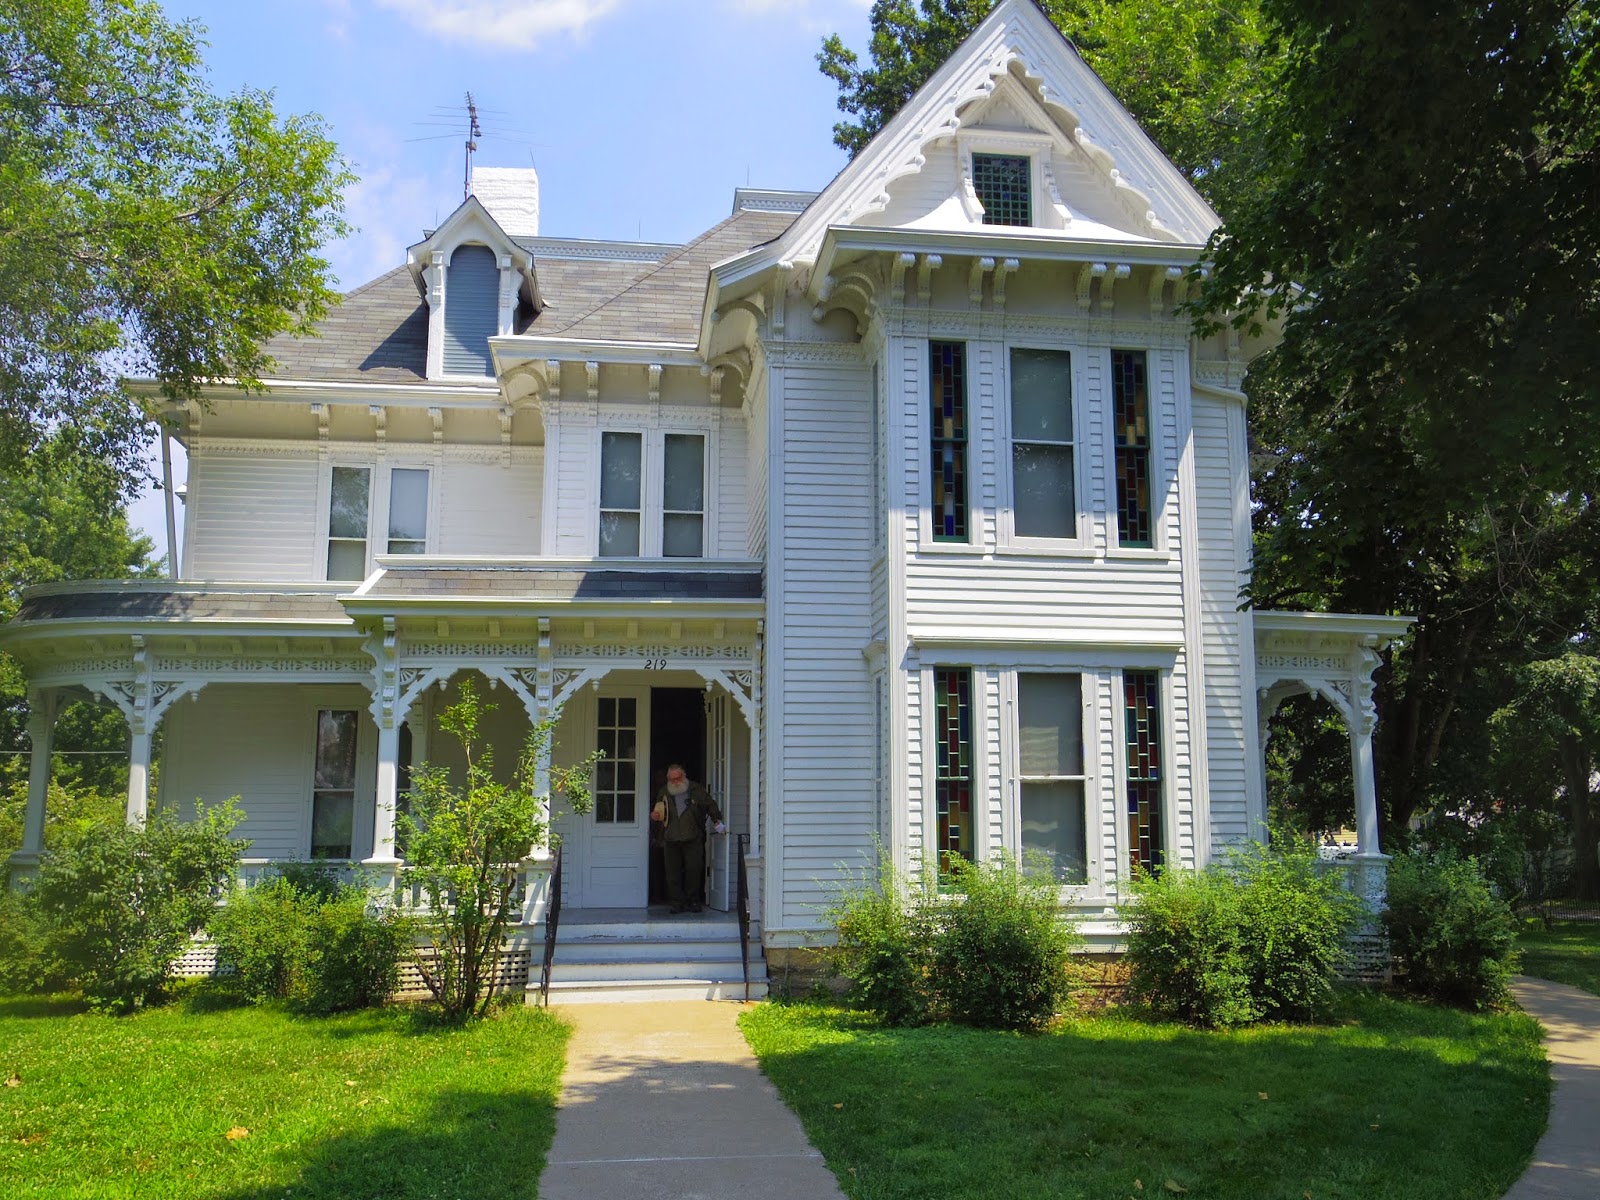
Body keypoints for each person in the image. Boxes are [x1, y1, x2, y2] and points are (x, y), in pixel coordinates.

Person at [649, 763, 725, 913]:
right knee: (672, 873)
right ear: (668, 779)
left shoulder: (696, 789)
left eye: (678, 778)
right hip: (670, 838)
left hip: (693, 837)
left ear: (684, 776)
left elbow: (711, 805)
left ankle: (693, 901)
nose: (676, 782)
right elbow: (657, 810)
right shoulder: (664, 791)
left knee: (694, 870)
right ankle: (677, 903)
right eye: (672, 779)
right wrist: (654, 816)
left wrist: (717, 820)